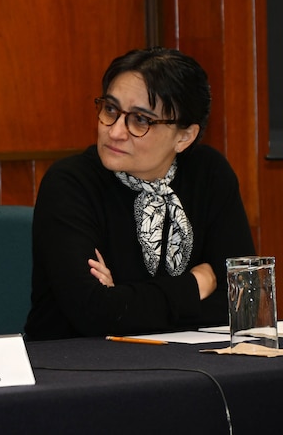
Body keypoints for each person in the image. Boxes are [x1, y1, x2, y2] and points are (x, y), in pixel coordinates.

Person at [24, 46, 255, 340]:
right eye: (110, 110)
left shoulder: (209, 174)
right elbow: (94, 314)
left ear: (184, 137)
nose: (116, 131)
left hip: (192, 362)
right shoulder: (70, 184)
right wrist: (196, 285)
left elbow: (245, 301)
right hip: (77, 368)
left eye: (140, 120)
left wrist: (124, 299)